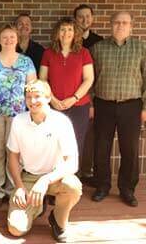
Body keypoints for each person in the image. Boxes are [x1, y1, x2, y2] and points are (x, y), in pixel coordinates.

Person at [90, 11, 146, 207]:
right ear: (111, 25)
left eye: (125, 23)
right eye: (117, 22)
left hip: (131, 106)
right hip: (103, 105)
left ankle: (127, 189)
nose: (120, 26)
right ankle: (102, 186)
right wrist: (90, 103)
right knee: (101, 147)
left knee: (130, 150)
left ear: (131, 26)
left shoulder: (142, 49)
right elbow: (90, 79)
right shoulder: (98, 49)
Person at [7, 80, 82, 243]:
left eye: (37, 96)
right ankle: (37, 206)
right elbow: (12, 156)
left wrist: (46, 180)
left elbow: (72, 163)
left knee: (73, 186)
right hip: (28, 177)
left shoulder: (61, 122)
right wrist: (19, 186)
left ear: (48, 98)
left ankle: (58, 220)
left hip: (54, 176)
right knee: (16, 229)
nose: (32, 101)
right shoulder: (18, 121)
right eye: (28, 97)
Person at [0, 24, 36, 208]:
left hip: (19, 116)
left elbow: (33, 88)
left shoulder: (26, 62)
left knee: (15, 153)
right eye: (5, 37)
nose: (8, 40)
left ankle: (13, 189)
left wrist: (32, 114)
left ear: (17, 39)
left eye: (12, 37)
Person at [40, 17, 94, 177]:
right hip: (53, 106)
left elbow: (89, 79)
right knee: (53, 145)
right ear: (57, 33)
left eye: (70, 29)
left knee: (75, 144)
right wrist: (52, 100)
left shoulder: (84, 53)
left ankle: (71, 182)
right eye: (63, 29)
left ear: (75, 33)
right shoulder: (48, 53)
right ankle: (52, 182)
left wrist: (74, 98)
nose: (66, 33)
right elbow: (42, 79)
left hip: (78, 107)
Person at [73, 4, 103, 186]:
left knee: (90, 137)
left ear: (92, 19)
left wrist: (91, 101)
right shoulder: (69, 41)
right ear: (75, 19)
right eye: (80, 17)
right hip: (71, 98)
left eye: (87, 16)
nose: (84, 20)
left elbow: (97, 74)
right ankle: (72, 172)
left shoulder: (99, 42)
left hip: (90, 97)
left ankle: (87, 171)